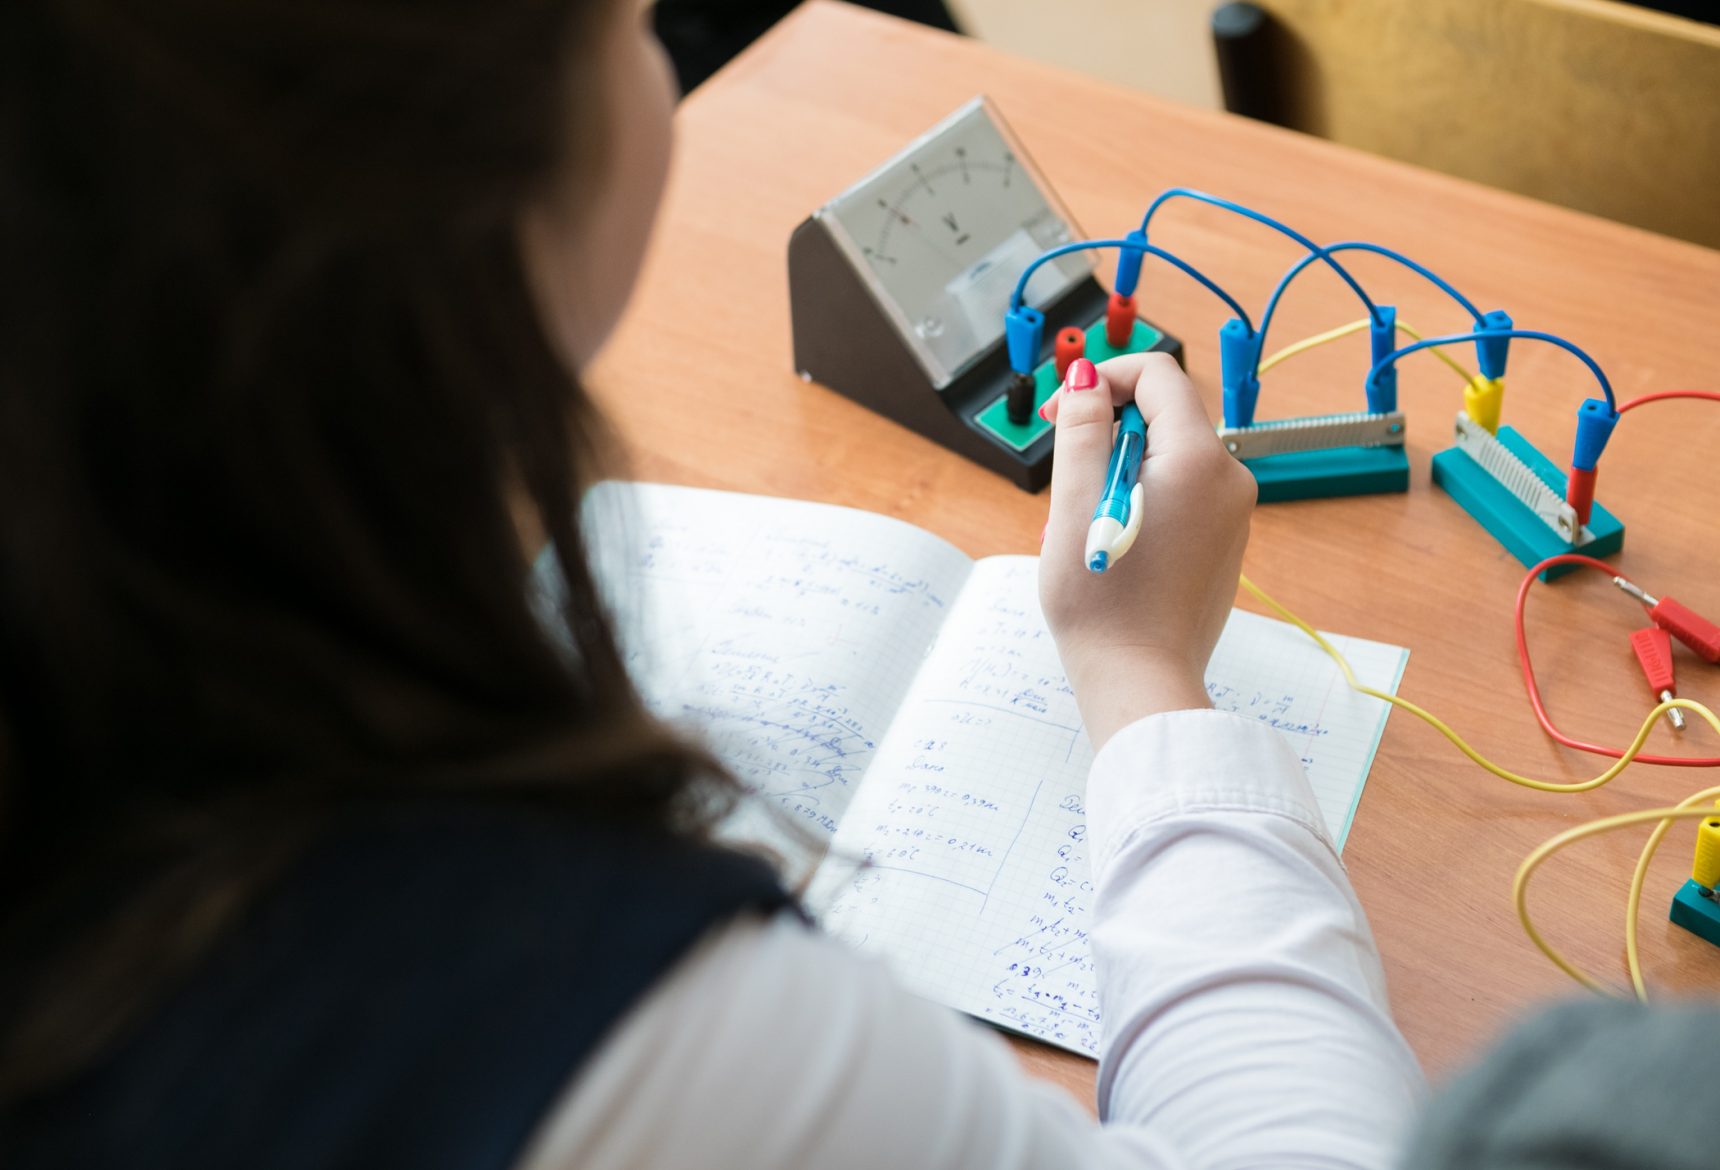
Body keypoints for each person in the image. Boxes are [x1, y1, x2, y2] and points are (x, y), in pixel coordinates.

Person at [0, 1, 1435, 1167]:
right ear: (468, 182)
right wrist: (1145, 683)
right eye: (632, 16)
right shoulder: (612, 1031)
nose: (664, 42)